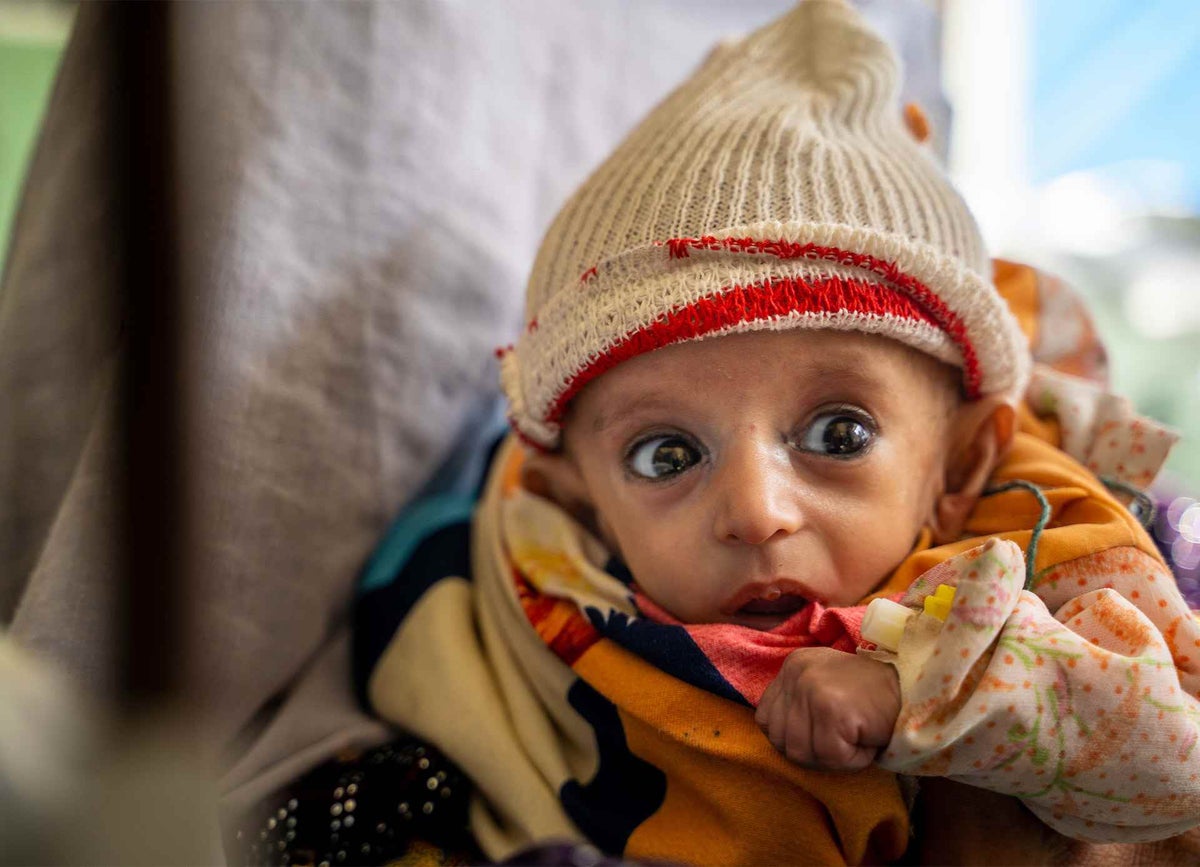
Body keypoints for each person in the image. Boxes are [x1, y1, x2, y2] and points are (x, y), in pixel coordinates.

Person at [353, 1, 1200, 864]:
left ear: (961, 459)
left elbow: (1174, 761)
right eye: (665, 455)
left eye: (839, 433)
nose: (755, 512)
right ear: (578, 493)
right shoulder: (511, 576)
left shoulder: (1039, 550)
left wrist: (925, 695)